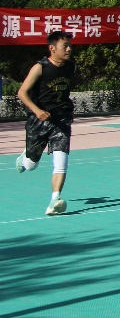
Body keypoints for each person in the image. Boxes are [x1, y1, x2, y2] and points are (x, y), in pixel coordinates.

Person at [15, 31, 77, 216]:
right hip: (39, 120)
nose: (68, 49)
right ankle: (26, 157)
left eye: (70, 46)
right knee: (31, 165)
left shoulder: (71, 67)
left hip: (62, 120)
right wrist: (37, 111)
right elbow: (22, 93)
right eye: (65, 46)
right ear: (52, 48)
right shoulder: (40, 68)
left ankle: (55, 200)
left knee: (61, 162)